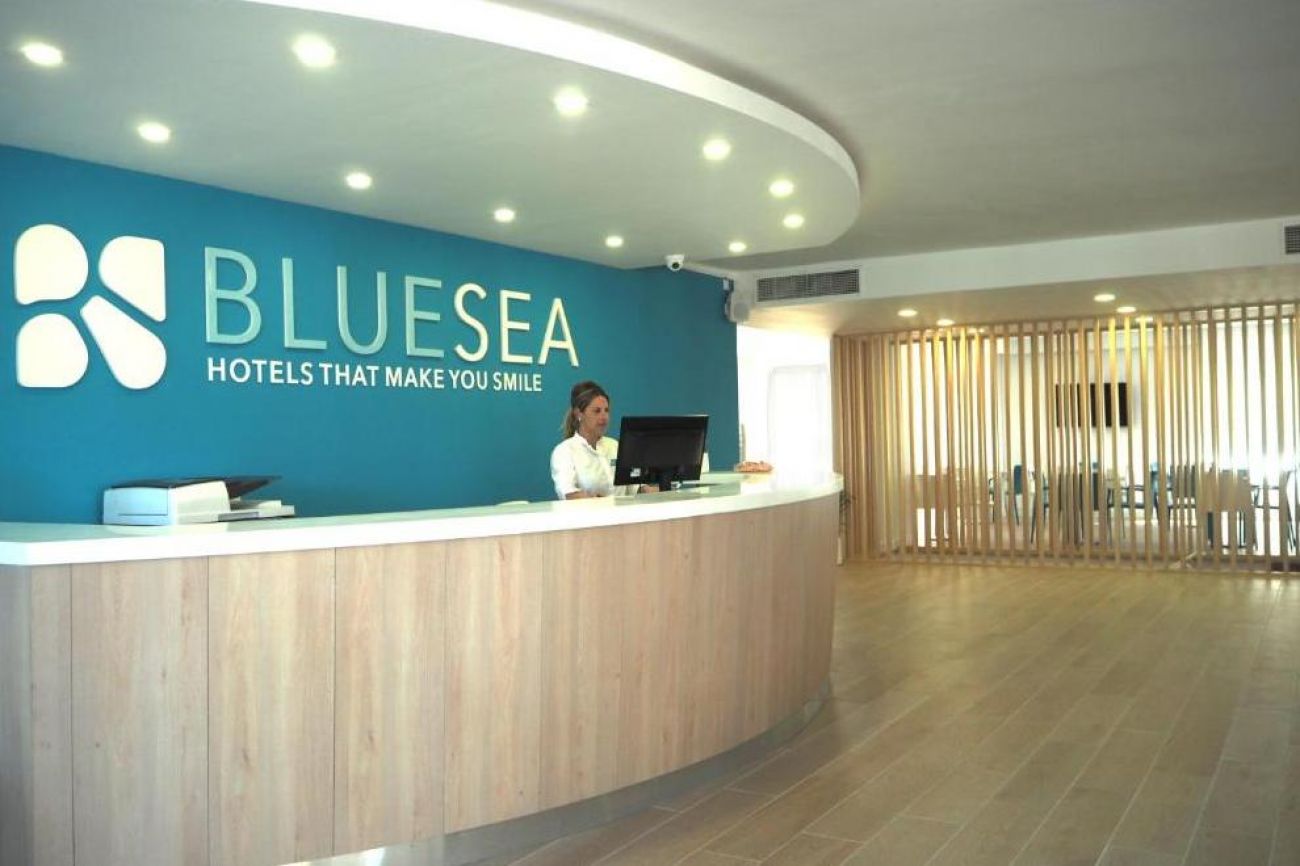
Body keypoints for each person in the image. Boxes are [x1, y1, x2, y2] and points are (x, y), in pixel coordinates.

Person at [551, 380, 654, 499]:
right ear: (579, 414)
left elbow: (635, 486)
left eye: (606, 410)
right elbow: (568, 493)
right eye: (597, 411)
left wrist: (662, 490)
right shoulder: (564, 451)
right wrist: (595, 502)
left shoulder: (615, 445)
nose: (604, 417)